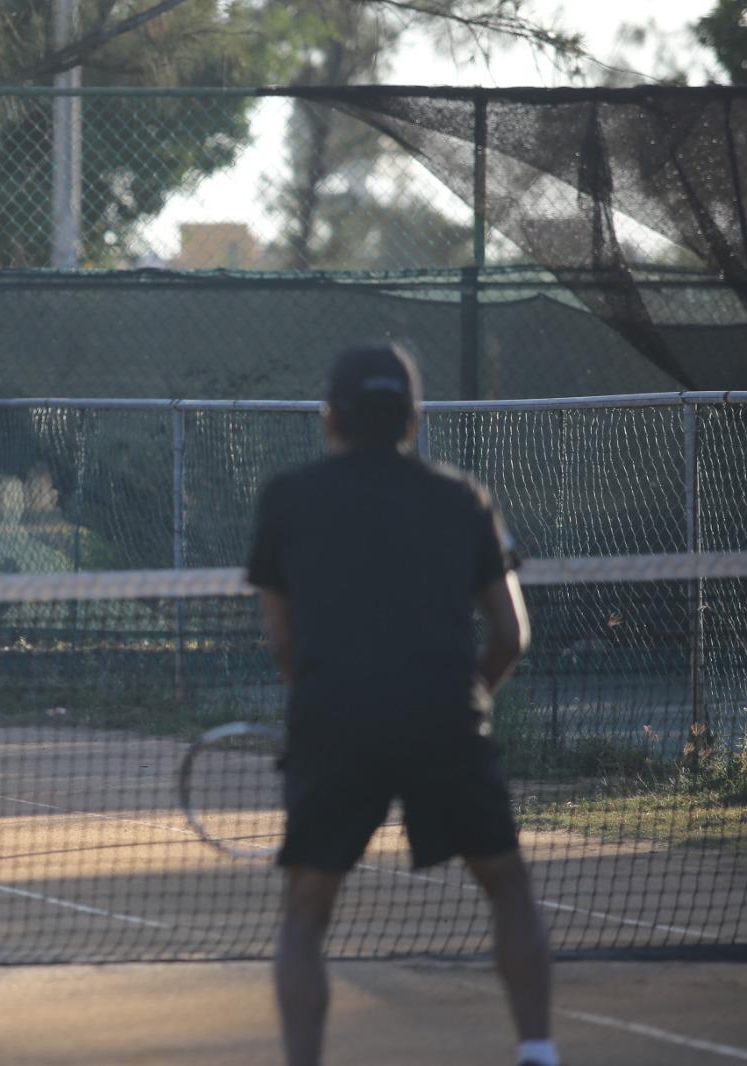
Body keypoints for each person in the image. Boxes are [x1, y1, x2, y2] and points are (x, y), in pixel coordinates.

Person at [245, 342, 558, 1066]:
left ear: (330, 419)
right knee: (508, 886)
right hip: (445, 718)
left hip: (334, 721)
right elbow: (512, 634)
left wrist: (324, 707)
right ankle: (539, 1052)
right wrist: (463, 700)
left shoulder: (287, 499)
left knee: (304, 914)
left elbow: (282, 642)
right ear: (414, 420)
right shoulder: (464, 497)